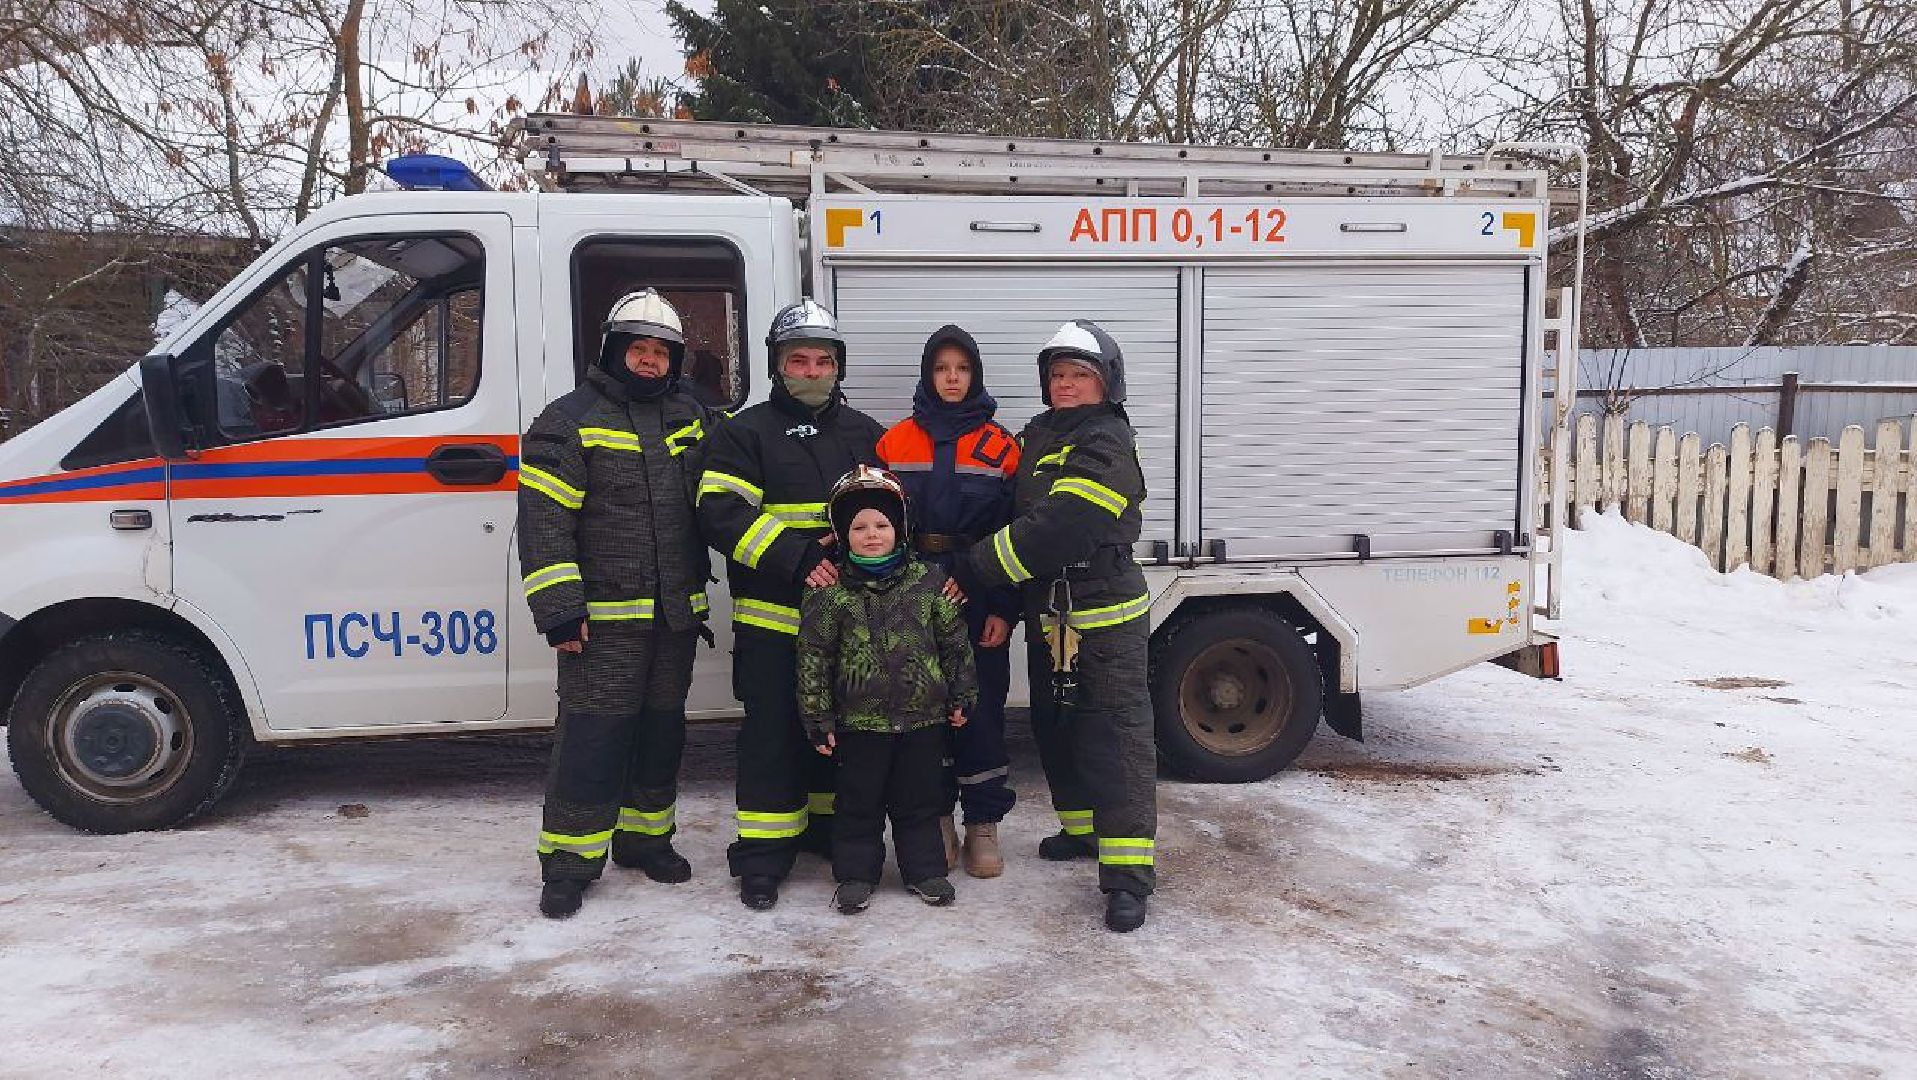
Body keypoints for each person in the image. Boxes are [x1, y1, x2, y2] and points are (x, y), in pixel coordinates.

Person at [517, 289, 713, 918]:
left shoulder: (692, 418)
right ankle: (569, 864)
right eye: (640, 349)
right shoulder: (567, 419)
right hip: (600, 624)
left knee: (661, 735)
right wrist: (560, 612)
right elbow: (544, 522)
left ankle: (646, 840)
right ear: (614, 351)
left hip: (675, 617)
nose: (650, 361)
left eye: (661, 352)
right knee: (593, 738)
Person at [966, 320, 1158, 933]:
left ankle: (1128, 875)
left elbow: (1062, 524)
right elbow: (1008, 501)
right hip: (1050, 614)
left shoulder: (1107, 441)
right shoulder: (1043, 432)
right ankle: (1081, 830)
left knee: (1114, 739)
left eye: (1080, 375)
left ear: (1107, 383)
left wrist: (973, 568)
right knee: (1056, 726)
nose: (1066, 385)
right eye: (1057, 375)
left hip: (1102, 614)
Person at [697, 299, 887, 911]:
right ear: (778, 367)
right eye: (798, 360)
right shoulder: (743, 432)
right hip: (772, 623)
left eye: (823, 360)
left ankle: (831, 835)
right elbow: (720, 514)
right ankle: (763, 857)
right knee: (773, 739)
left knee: (841, 735)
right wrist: (799, 558)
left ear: (839, 367)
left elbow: (888, 520)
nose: (811, 371)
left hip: (846, 625)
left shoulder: (863, 434)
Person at [797, 467, 978, 914]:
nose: (872, 535)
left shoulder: (930, 583)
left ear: (899, 529)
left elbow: (955, 645)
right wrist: (818, 718)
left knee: (920, 800)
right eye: (859, 527)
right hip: (859, 723)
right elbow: (813, 659)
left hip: (923, 719)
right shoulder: (829, 592)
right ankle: (856, 875)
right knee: (858, 803)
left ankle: (925, 870)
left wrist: (961, 695)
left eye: (881, 525)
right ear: (842, 534)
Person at [876, 326, 1020, 878]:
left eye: (962, 369)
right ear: (927, 376)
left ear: (976, 375)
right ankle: (934, 818)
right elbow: (879, 528)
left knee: (980, 714)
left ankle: (982, 825)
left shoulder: (1002, 445)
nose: (952, 379)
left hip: (978, 596)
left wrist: (1003, 607)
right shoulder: (895, 442)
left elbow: (1014, 533)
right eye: (942, 369)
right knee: (922, 713)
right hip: (912, 596)